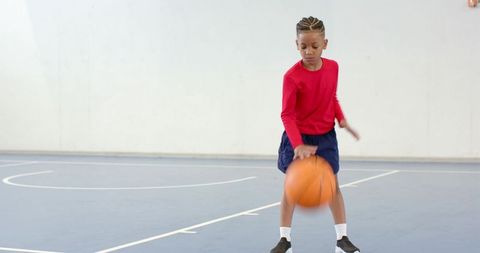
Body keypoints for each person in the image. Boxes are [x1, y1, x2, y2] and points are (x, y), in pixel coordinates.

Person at [270, 16, 361, 253]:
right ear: (296, 44)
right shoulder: (291, 77)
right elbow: (287, 115)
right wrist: (297, 144)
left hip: (325, 137)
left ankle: (342, 239)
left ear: (325, 44)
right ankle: (284, 240)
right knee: (290, 188)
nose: (309, 51)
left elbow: (331, 97)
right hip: (298, 138)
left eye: (314, 46)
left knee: (333, 187)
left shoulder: (333, 67)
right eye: (303, 46)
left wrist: (341, 119)